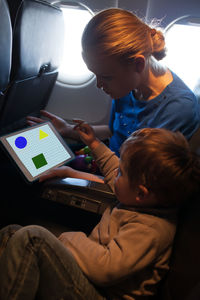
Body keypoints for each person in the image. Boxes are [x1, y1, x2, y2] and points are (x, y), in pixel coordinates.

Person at [0, 127, 199, 300]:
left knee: (32, 237)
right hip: (93, 281)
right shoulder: (140, 198)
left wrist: (69, 240)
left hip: (101, 294)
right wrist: (94, 144)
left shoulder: (150, 229)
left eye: (121, 173)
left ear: (140, 193)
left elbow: (105, 269)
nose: (114, 175)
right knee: (12, 234)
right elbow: (113, 167)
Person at [27, 8, 200, 156]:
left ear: (138, 64)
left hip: (127, 183)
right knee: (26, 155)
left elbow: (138, 181)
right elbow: (114, 131)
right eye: (95, 75)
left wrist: (72, 175)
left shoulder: (177, 109)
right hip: (111, 163)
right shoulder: (129, 85)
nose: (99, 85)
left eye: (106, 77)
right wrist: (68, 130)